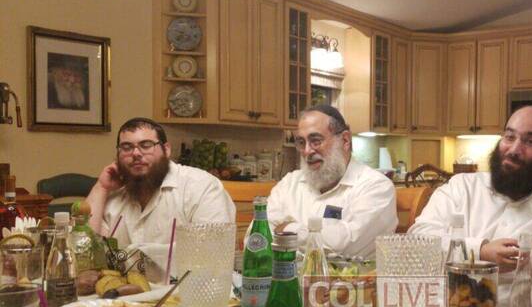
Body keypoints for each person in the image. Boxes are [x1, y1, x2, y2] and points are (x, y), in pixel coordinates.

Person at [408, 105, 532, 307]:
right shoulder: (461, 187)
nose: (514, 150)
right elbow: (417, 242)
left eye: (530, 141)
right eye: (509, 137)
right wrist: (479, 251)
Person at [86, 117, 235, 280]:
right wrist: (101, 187)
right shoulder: (113, 195)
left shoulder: (201, 187)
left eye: (146, 145)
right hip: (121, 293)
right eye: (126, 147)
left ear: (166, 150)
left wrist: (131, 258)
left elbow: (211, 254)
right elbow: (86, 252)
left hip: (184, 292)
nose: (136, 153)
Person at [267, 105, 397, 258]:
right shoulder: (289, 184)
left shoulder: (376, 186)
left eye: (316, 141)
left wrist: (289, 229)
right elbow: (257, 237)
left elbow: (346, 248)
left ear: (345, 140)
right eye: (301, 142)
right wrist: (317, 237)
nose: (307, 151)